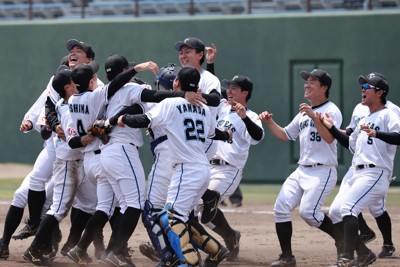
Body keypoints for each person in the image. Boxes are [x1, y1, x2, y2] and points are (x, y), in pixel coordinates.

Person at [117, 66, 228, 267]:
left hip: (186, 169)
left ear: (177, 83)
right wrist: (226, 134)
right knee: (181, 218)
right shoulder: (203, 108)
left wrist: (124, 118)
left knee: (171, 219)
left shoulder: (170, 103)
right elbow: (213, 133)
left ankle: (187, 262)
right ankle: (215, 250)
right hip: (203, 168)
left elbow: (144, 119)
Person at [64, 58, 160, 266]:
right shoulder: (98, 96)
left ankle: (81, 248)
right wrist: (135, 70)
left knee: (106, 208)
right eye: (93, 76)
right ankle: (117, 252)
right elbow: (117, 85)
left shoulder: (73, 101)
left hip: (93, 157)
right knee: (130, 204)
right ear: (90, 82)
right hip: (105, 153)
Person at [259, 69, 342, 267]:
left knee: (309, 213)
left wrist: (315, 117)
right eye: (307, 81)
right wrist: (269, 122)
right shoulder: (303, 113)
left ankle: (348, 242)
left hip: (322, 170)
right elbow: (285, 135)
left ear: (324, 87)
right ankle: (287, 257)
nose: (307, 84)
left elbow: (331, 137)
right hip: (302, 169)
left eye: (313, 81)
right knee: (280, 209)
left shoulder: (332, 110)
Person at [320, 73, 400, 266]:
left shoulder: (389, 113)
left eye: (367, 87)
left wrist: (378, 133)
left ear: (380, 92)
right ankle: (364, 254)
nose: (363, 90)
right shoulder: (365, 117)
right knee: (336, 211)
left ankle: (347, 257)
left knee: (349, 208)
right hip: (356, 171)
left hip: (376, 172)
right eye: (362, 86)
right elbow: (350, 144)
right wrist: (331, 128)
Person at [22, 63, 96, 265]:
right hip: (67, 164)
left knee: (91, 205)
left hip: (81, 163)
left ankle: (75, 247)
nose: (75, 84)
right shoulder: (65, 107)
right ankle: (34, 250)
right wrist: (88, 137)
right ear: (67, 87)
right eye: (72, 82)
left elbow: (50, 104)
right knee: (59, 209)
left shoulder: (68, 103)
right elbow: (73, 139)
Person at [202, 75, 264, 262]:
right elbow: (212, 89)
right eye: (229, 87)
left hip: (229, 170)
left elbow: (258, 136)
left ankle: (226, 239)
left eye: (234, 88)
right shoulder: (222, 108)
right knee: (199, 212)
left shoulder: (251, 116)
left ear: (245, 93)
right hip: (208, 166)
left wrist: (244, 118)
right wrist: (211, 64)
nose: (229, 90)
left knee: (205, 210)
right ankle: (230, 235)